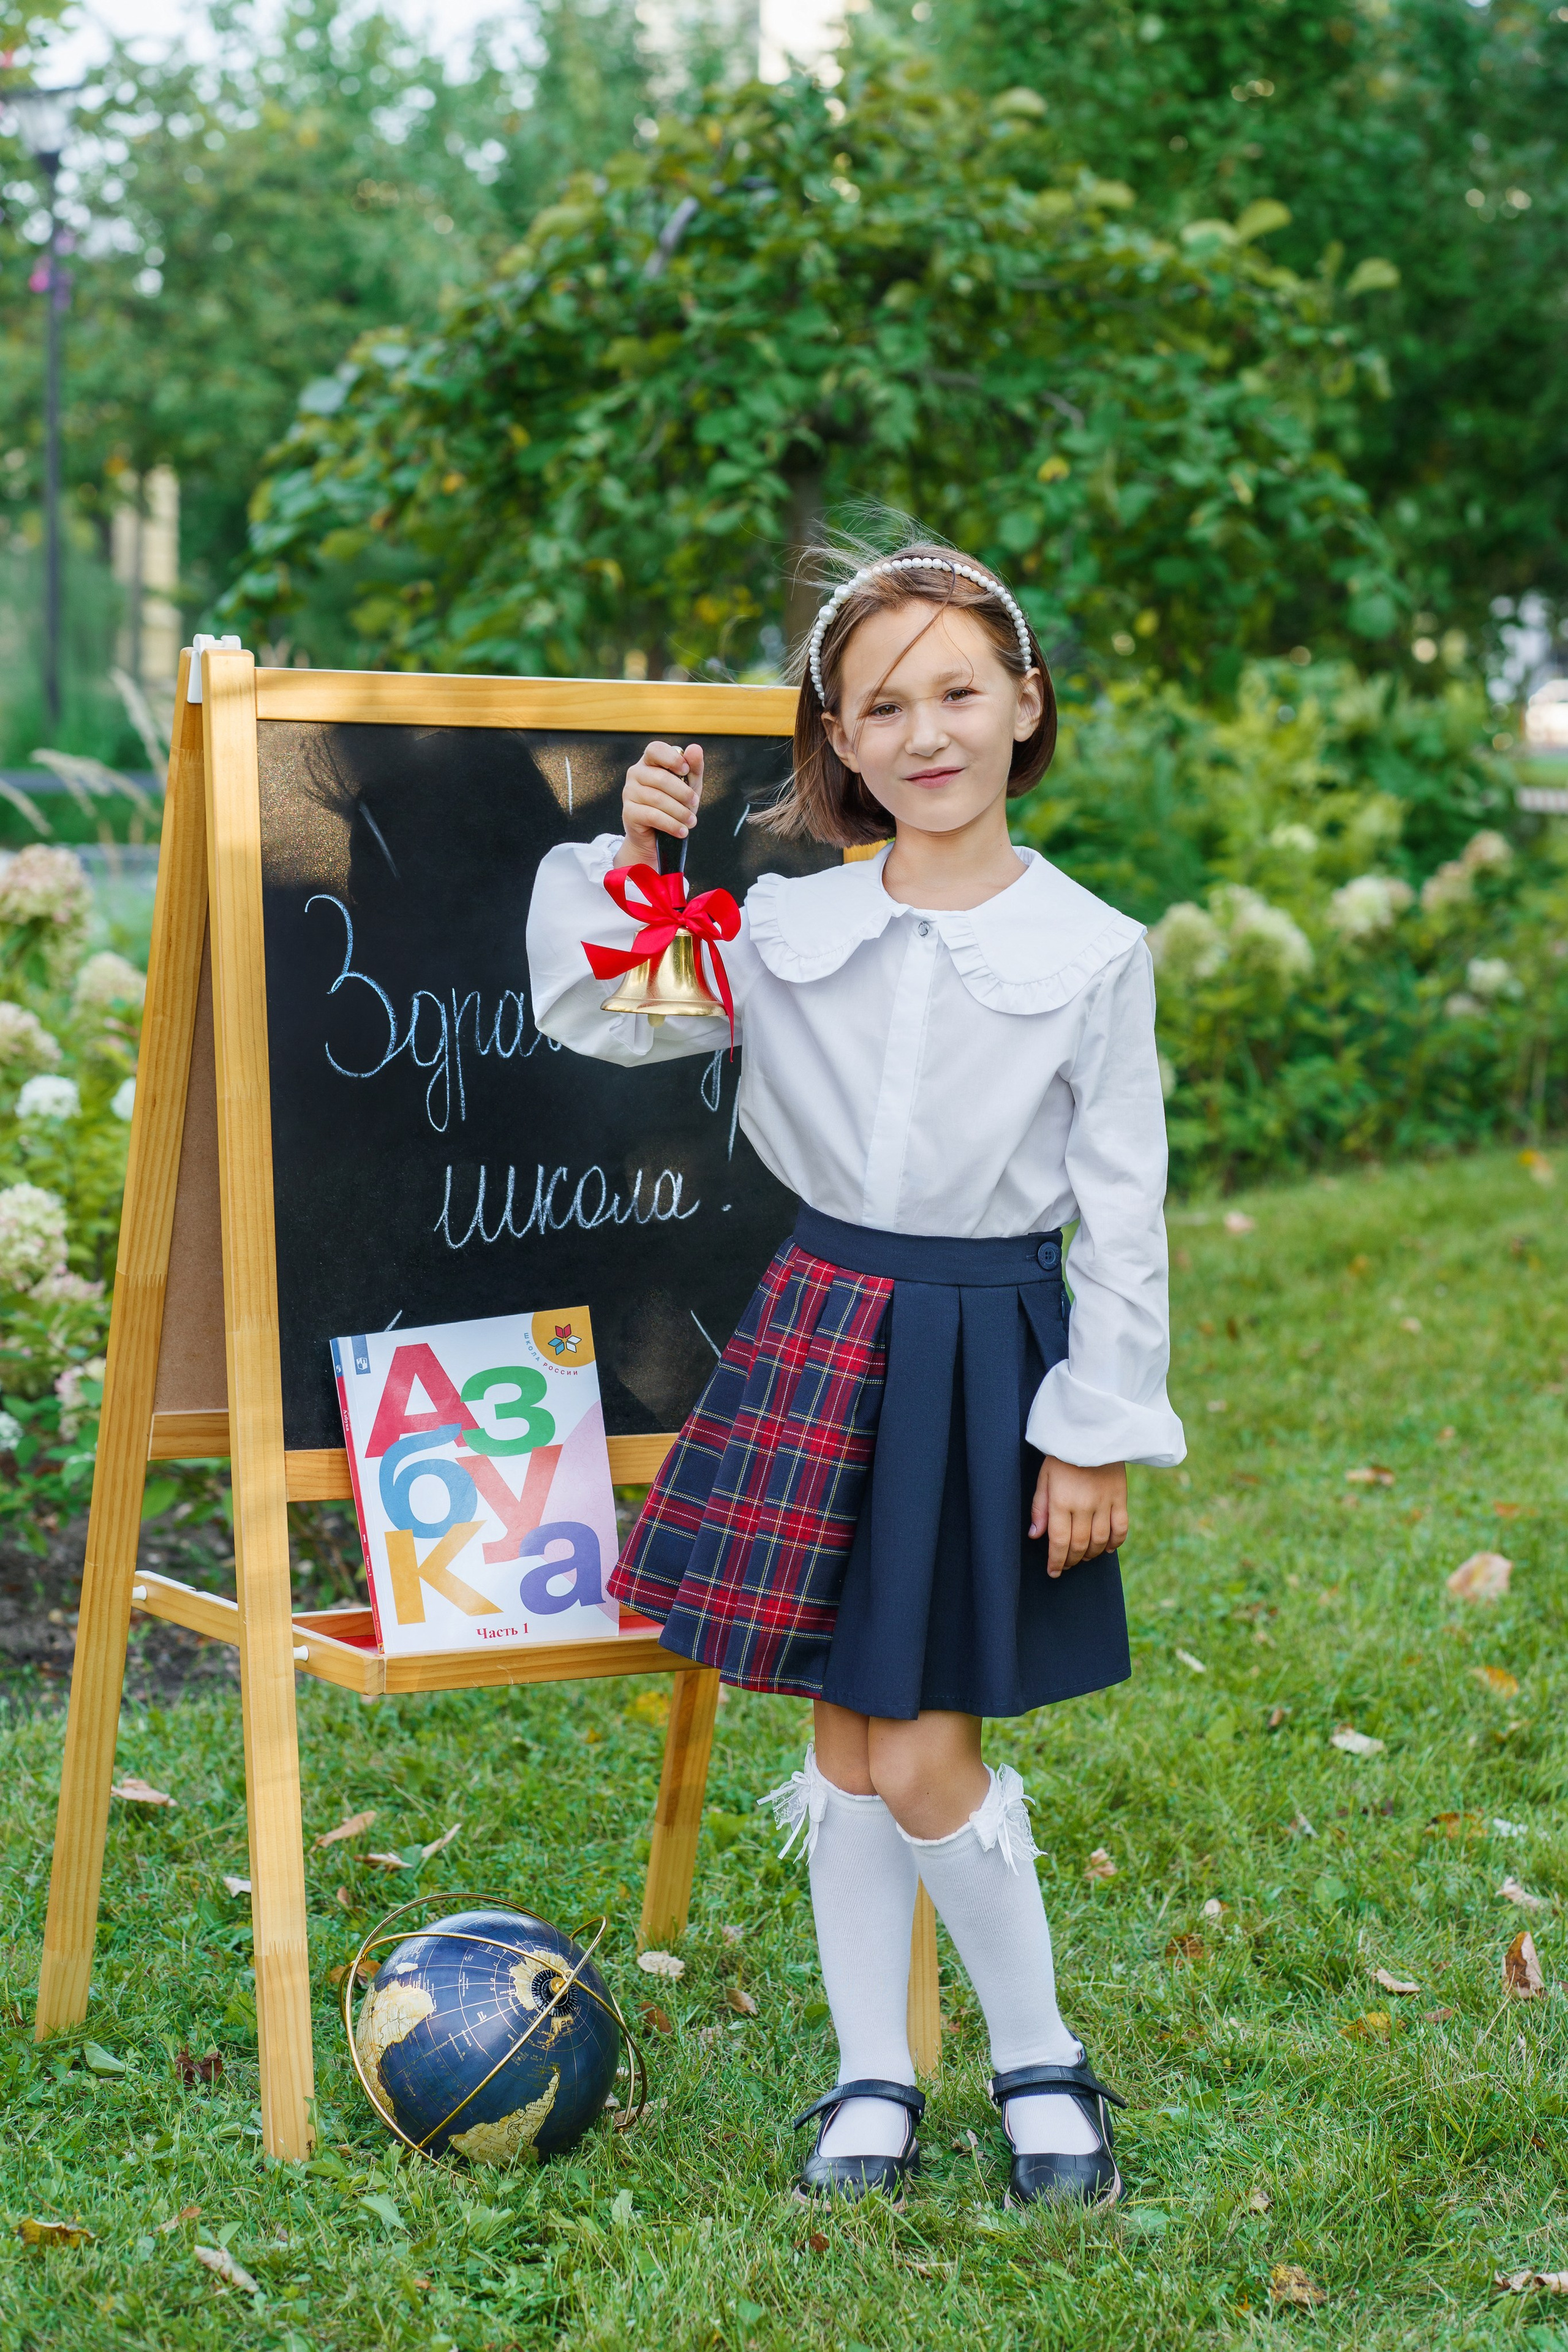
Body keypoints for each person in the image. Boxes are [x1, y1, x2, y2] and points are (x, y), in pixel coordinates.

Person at [526, 539, 1185, 2208]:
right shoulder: (791, 926)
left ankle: (1039, 2059)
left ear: (1025, 705)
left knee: (921, 1750)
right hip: (825, 1331)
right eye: (882, 704)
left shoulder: (1093, 950)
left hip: (983, 1351)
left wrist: (1092, 1432)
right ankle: (872, 2081)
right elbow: (615, 1014)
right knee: (840, 1742)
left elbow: (1122, 1214)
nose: (928, 730)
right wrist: (641, 847)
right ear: (837, 734)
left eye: (960, 690)